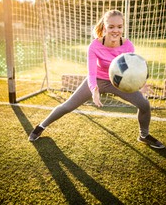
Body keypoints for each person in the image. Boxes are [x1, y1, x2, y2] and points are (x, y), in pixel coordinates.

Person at [29, 9, 165, 149]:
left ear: (123, 27)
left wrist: (139, 85)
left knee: (144, 104)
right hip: (98, 80)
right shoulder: (95, 46)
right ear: (104, 27)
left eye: (119, 26)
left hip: (118, 83)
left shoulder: (128, 46)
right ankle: (41, 126)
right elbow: (91, 73)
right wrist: (94, 89)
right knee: (68, 106)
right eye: (111, 27)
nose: (115, 30)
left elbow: (132, 71)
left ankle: (144, 135)